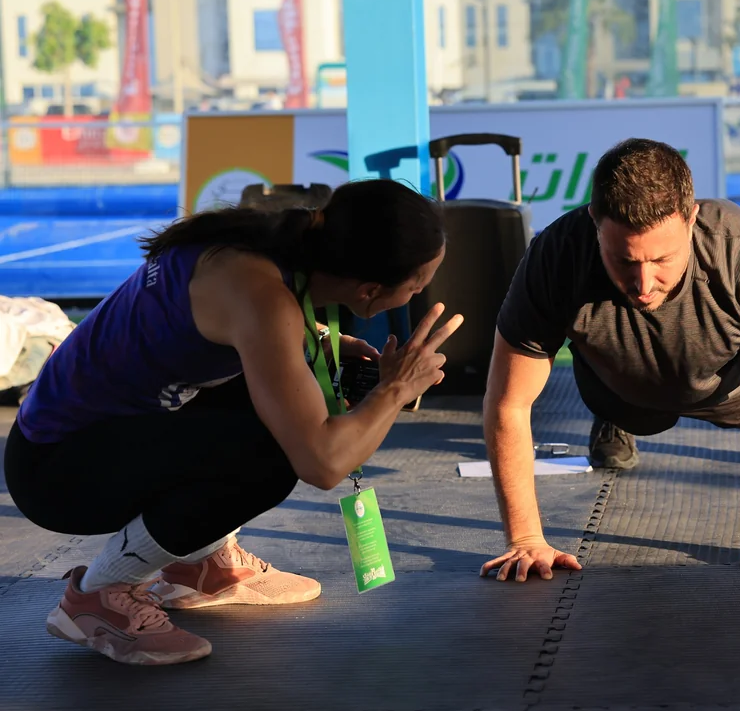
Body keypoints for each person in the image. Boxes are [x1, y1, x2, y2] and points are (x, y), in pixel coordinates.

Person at [3, 179, 464, 666]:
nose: (419, 292)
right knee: (271, 456)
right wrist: (396, 389)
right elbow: (323, 463)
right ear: (370, 292)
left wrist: (318, 339)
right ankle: (98, 596)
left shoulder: (260, 248)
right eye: (417, 285)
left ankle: (202, 566)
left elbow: (235, 316)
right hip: (57, 476)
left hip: (71, 439)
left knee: (278, 394)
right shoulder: (262, 296)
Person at [479, 138, 740, 584]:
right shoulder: (556, 255)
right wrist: (524, 539)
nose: (643, 284)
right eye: (624, 260)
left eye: (661, 259)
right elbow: (509, 402)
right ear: (594, 221)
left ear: (691, 219)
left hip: (729, 381)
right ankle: (617, 416)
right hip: (618, 385)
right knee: (626, 404)